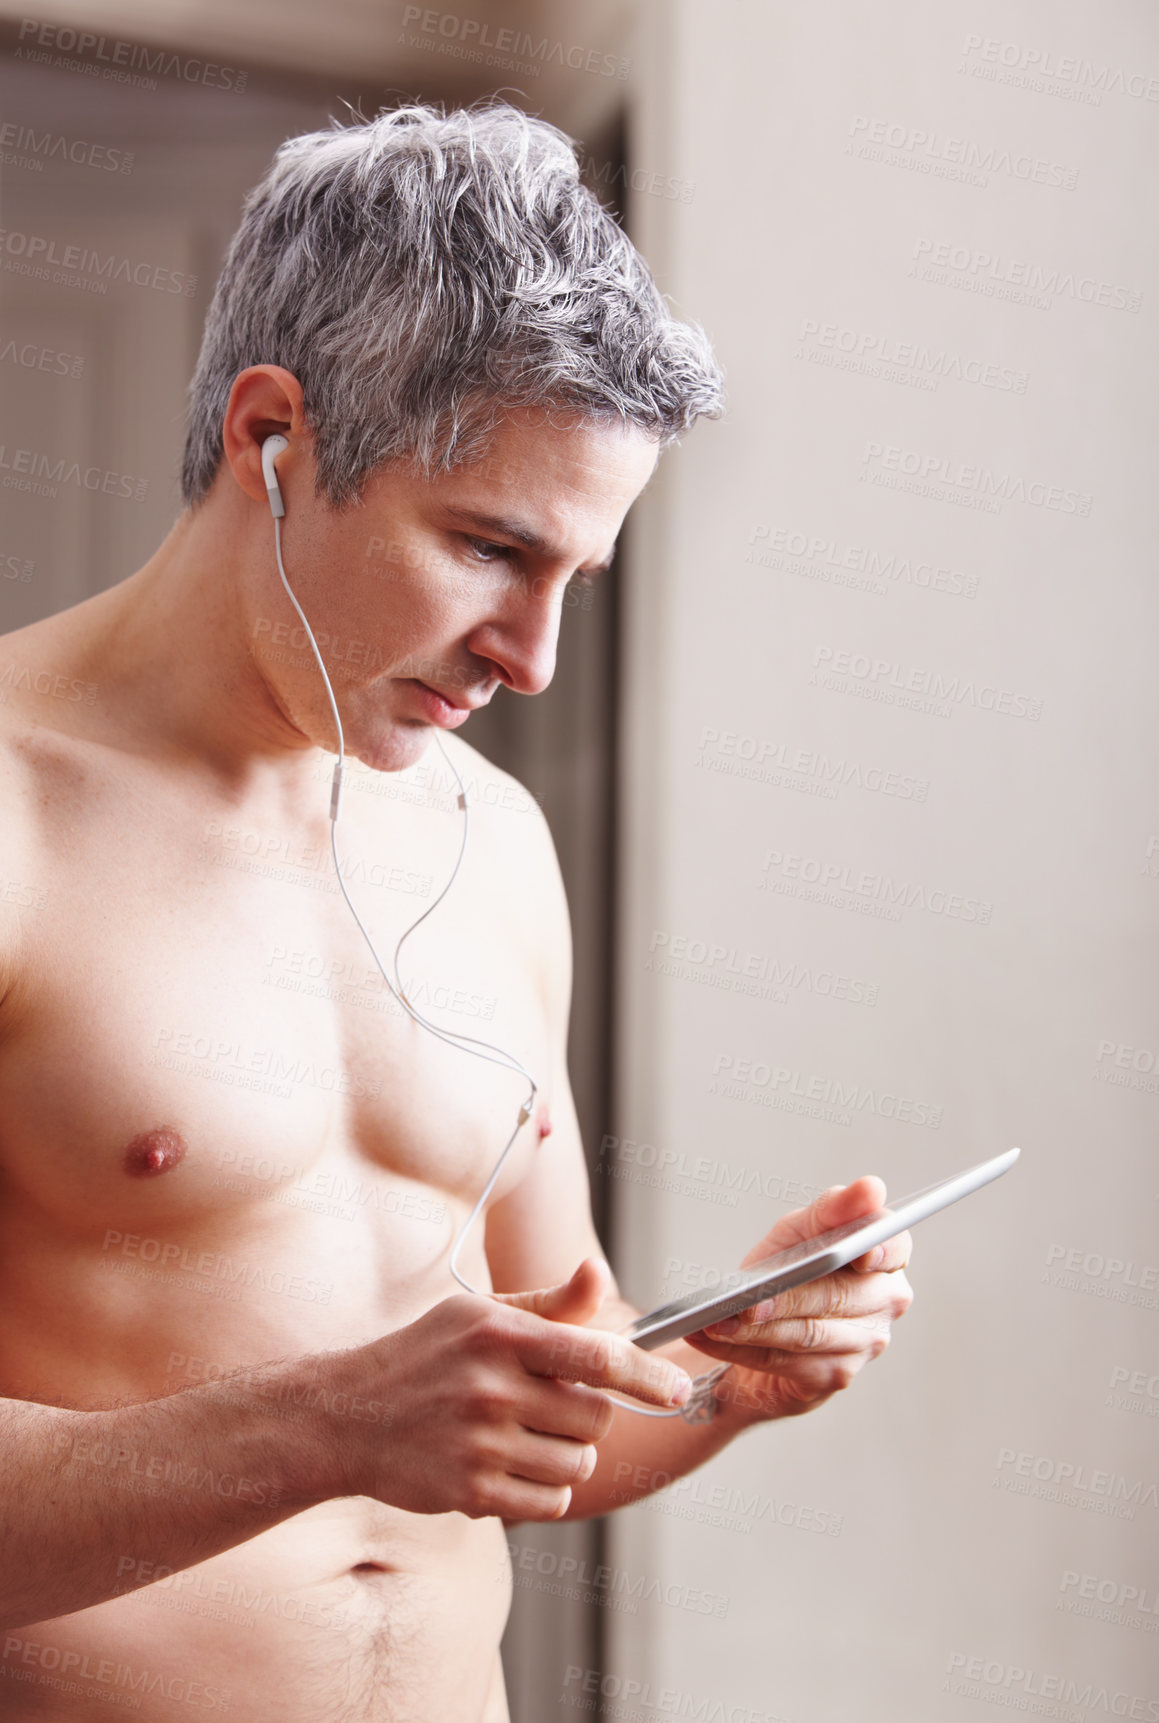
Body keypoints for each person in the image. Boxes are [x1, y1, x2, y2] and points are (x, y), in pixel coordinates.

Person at [0, 102, 912, 1721]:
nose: (535, 658)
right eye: (491, 548)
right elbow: (367, 1421)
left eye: (576, 579)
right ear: (273, 435)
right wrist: (324, 1427)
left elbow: (547, 1403)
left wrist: (725, 1379)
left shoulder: (492, 841)